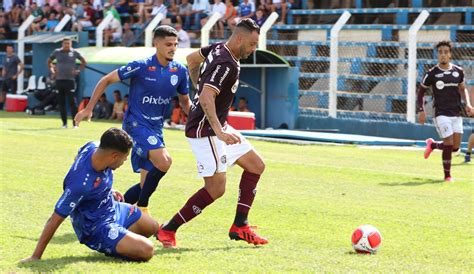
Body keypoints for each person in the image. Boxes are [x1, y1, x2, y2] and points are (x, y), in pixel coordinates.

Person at [157, 18, 268, 248]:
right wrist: (218, 130)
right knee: (216, 189)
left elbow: (191, 60)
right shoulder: (225, 63)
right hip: (206, 130)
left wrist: (199, 87)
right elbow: (207, 97)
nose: (254, 49)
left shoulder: (220, 48)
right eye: (252, 44)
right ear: (239, 38)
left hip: (217, 125)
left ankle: (240, 225)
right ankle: (168, 229)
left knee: (256, 165)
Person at [74, 26, 191, 216]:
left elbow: (185, 102)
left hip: (156, 128)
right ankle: (142, 210)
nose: (173, 48)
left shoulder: (179, 71)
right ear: (156, 44)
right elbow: (106, 80)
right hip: (135, 125)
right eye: (168, 44)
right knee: (165, 161)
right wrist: (88, 108)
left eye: (175, 44)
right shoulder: (141, 65)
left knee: (146, 184)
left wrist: (199, 120)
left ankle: (109, 208)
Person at [19, 128, 159, 263]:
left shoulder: (93, 146)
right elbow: (54, 220)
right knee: (147, 250)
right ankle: (112, 242)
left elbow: (78, 157)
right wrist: (36, 256)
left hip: (112, 208)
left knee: (153, 227)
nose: (124, 162)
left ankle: (119, 240)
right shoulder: (80, 185)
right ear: (114, 156)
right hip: (97, 227)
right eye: (124, 158)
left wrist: (106, 190)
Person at [417, 40, 473, 182]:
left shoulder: (458, 71)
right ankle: (447, 176)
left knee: (455, 148)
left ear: (450, 55)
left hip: (456, 113)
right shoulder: (432, 73)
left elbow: (463, 89)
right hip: (441, 113)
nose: (443, 55)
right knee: (448, 143)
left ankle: (433, 145)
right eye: (440, 52)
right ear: (437, 55)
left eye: (446, 52)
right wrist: (421, 110)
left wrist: (468, 104)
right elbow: (421, 92)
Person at [47, 38, 87, 128]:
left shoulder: (74, 52)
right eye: (65, 43)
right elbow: (49, 61)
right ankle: (64, 123)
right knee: (61, 103)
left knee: (72, 102)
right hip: (59, 80)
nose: (67, 45)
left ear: (71, 44)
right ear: (62, 44)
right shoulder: (57, 52)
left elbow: (84, 61)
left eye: (68, 43)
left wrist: (78, 70)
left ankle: (75, 124)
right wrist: (52, 70)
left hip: (70, 80)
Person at [1, 44, 23, 110]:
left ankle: (13, 107)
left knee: (13, 92)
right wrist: (3, 72)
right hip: (5, 78)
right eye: (7, 48)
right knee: (3, 92)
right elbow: (4, 66)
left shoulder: (15, 57)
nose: (8, 50)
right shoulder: (5, 57)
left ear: (12, 49)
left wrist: (16, 75)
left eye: (10, 48)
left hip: (12, 78)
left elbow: (21, 66)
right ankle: (1, 107)